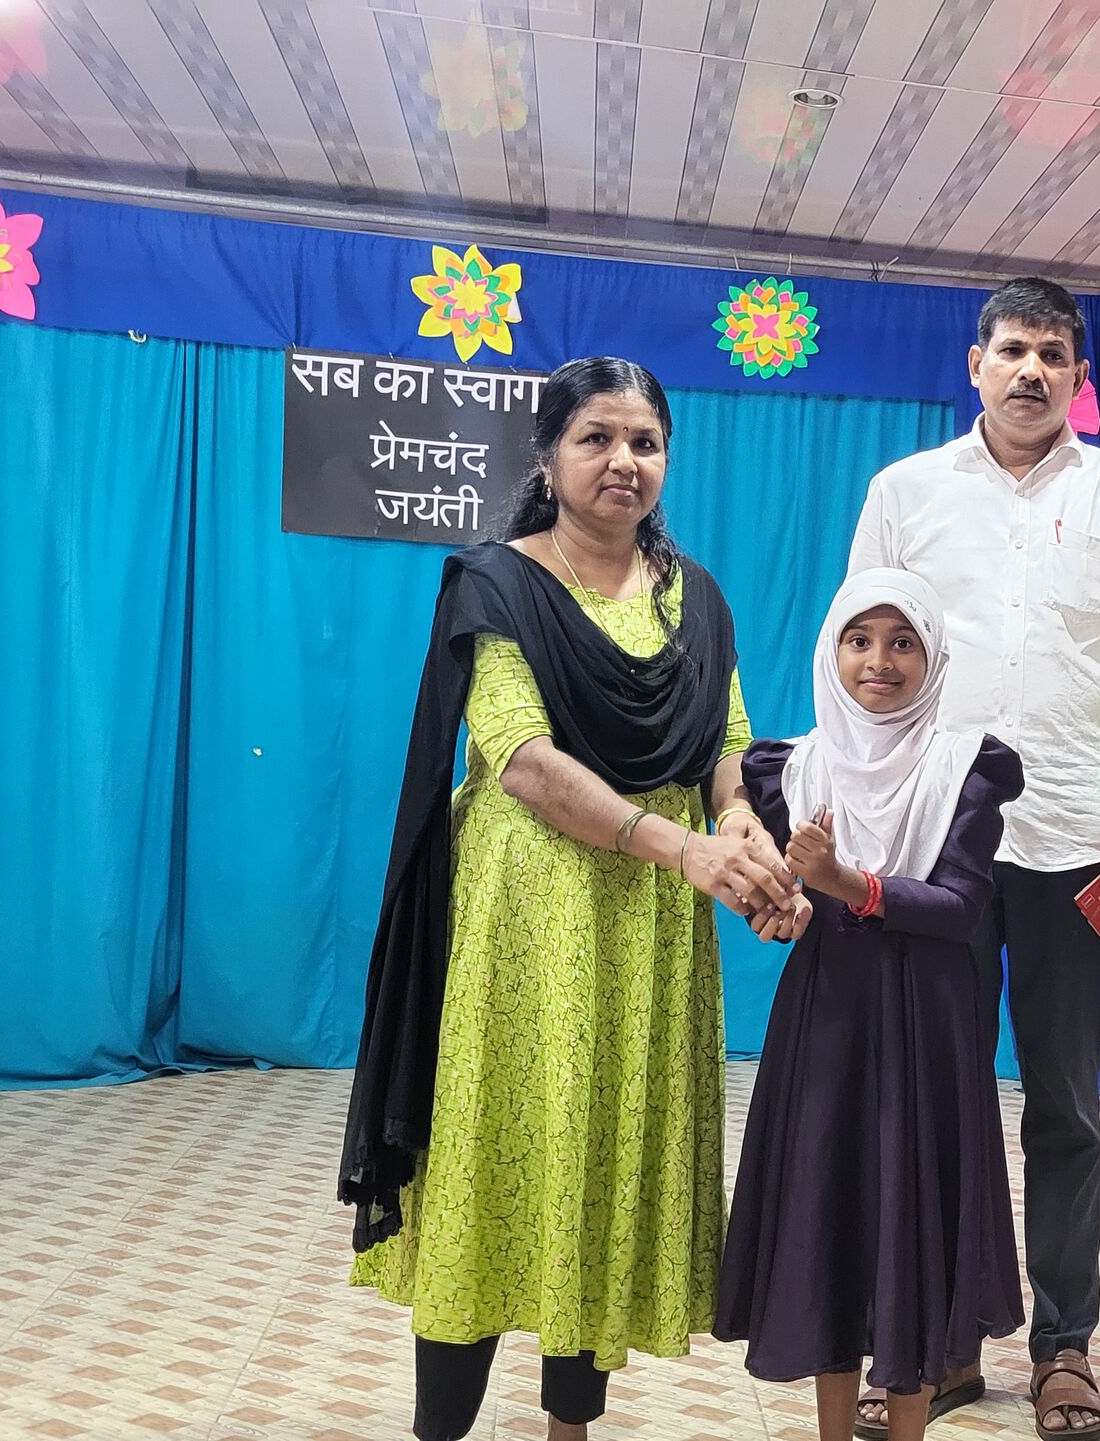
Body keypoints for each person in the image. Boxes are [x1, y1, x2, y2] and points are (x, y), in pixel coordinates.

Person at [339, 356, 802, 1441]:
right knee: (498, 1148)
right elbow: (522, 759)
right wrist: (678, 847)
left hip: (649, 929)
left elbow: (727, 743)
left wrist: (739, 818)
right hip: (527, 919)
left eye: (644, 441)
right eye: (596, 437)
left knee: (600, 1156)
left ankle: (571, 1427)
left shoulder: (698, 599)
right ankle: (442, 1426)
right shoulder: (496, 583)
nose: (622, 460)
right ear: (548, 457)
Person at [847, 276, 1100, 1440]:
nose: (1031, 370)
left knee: (1064, 1107)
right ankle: (940, 1344)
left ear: (1079, 376)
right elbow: (863, 659)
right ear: (976, 364)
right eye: (1013, 350)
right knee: (932, 1102)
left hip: (1071, 842)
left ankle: (1063, 1346)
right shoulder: (904, 493)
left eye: (1053, 353)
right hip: (932, 845)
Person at [715, 568, 1028, 1441]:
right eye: (859, 640)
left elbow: (961, 906)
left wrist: (845, 880)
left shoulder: (967, 766)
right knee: (831, 1223)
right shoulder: (790, 767)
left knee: (911, 1237)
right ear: (832, 652)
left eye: (902, 642)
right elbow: (780, 898)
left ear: (934, 657)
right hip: (827, 1022)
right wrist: (777, 904)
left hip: (927, 1024)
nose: (878, 661)